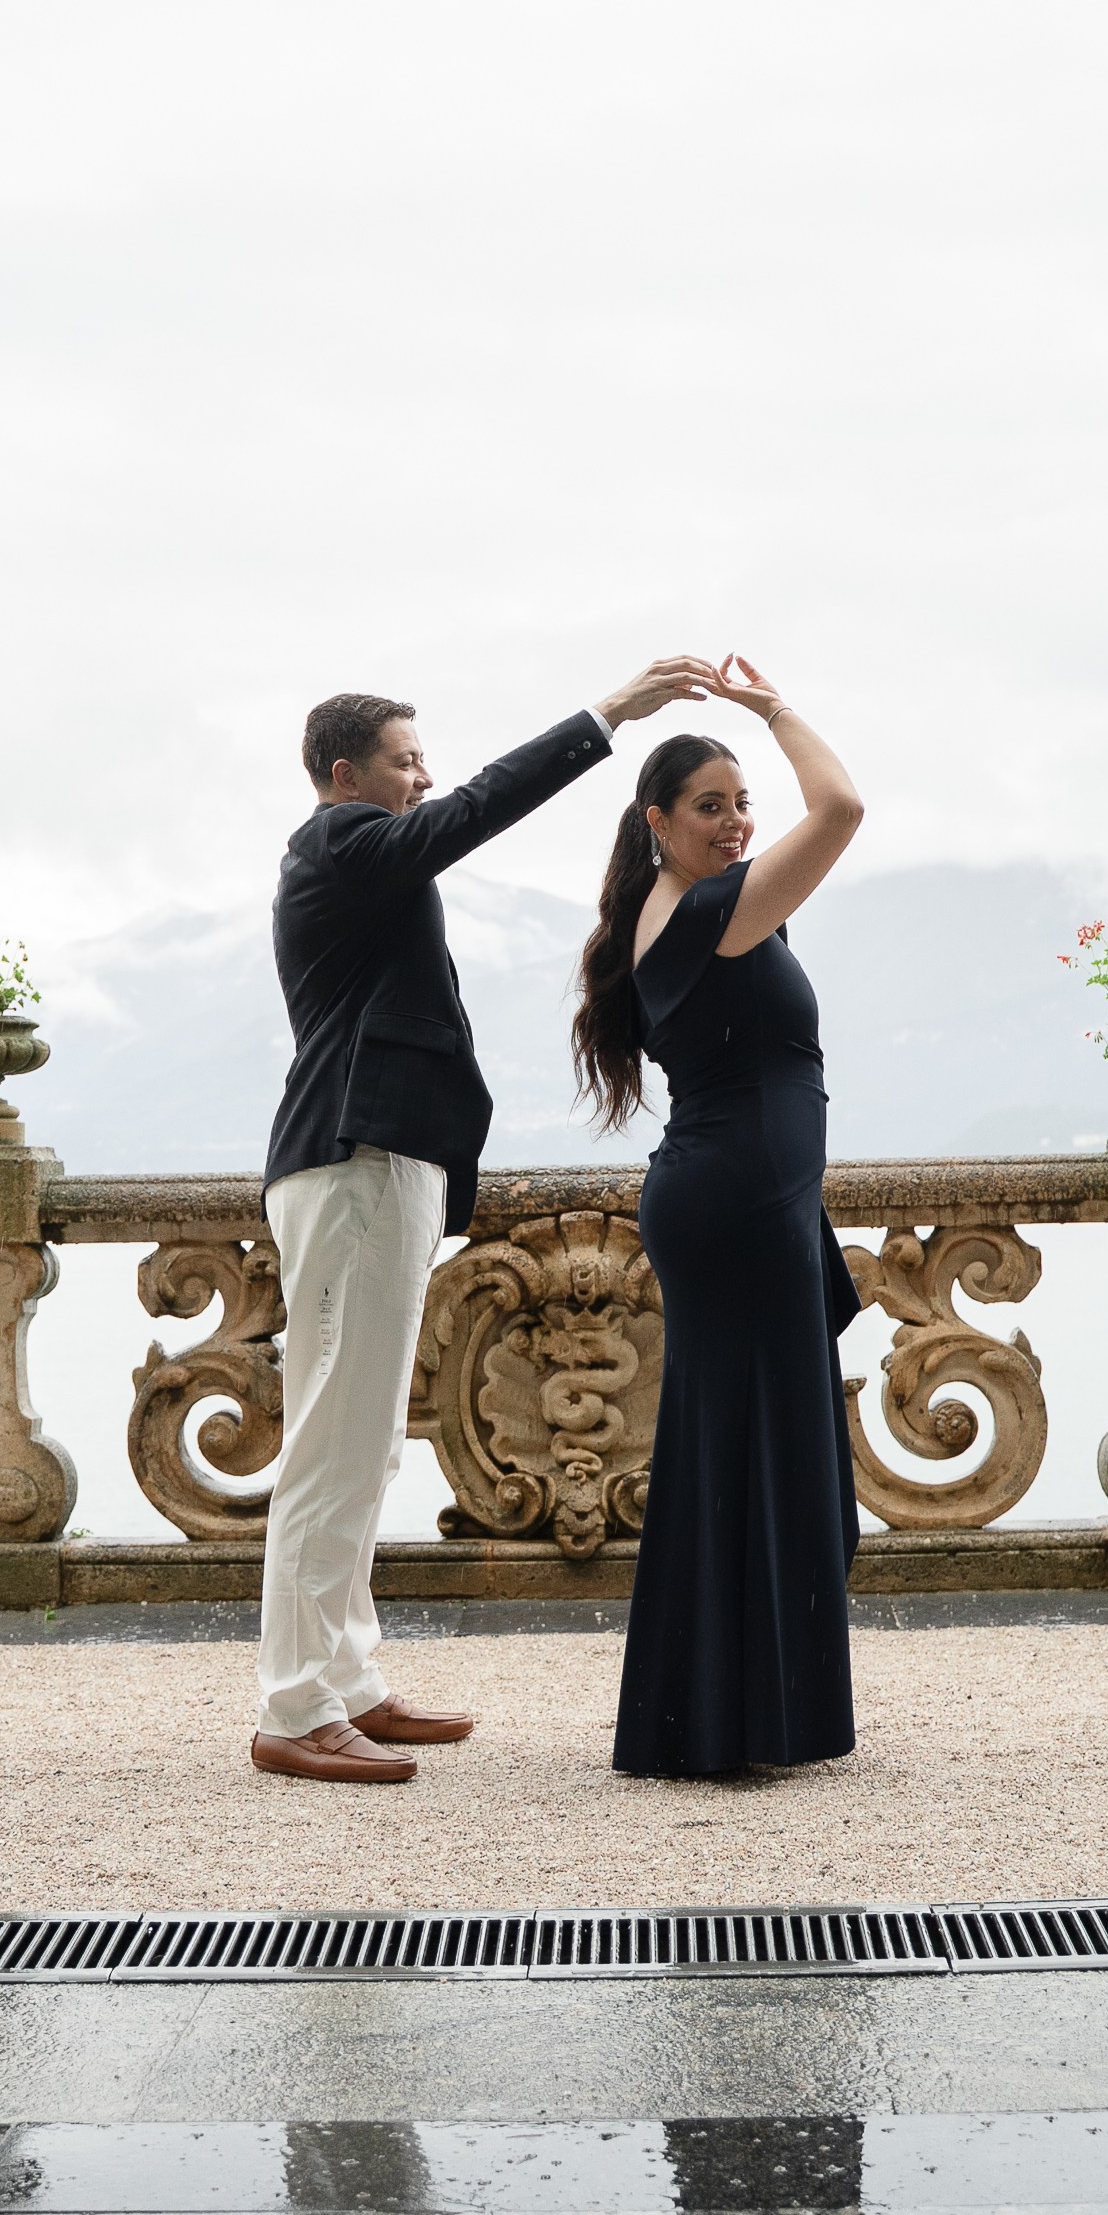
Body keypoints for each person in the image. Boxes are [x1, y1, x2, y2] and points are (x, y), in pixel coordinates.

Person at [254, 658, 719, 1784]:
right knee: (331, 1440)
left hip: (383, 1165)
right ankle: (293, 1707)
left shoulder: (362, 859)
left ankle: (346, 1681)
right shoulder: (340, 843)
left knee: (365, 1442)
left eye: (424, 758)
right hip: (353, 1164)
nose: (424, 776)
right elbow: (475, 810)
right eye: (404, 760)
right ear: (343, 774)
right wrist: (610, 715)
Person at [572, 662, 866, 1776]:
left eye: (744, 802)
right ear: (658, 821)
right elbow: (841, 808)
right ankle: (722, 1719)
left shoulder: (705, 907)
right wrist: (775, 709)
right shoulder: (704, 913)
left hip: (745, 1204)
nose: (737, 821)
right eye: (711, 804)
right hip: (737, 1209)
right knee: (749, 1452)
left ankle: (721, 1711)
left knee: (745, 1451)